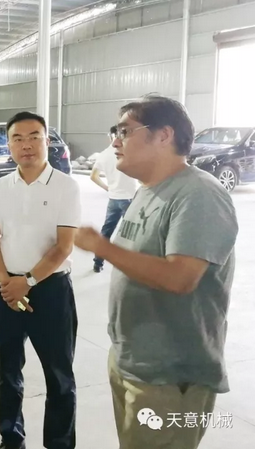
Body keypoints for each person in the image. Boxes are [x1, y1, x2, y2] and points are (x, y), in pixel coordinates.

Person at [74, 95, 238, 449]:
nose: (115, 142)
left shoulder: (198, 194)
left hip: (170, 376)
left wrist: (103, 248)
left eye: (125, 131)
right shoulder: (148, 191)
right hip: (135, 362)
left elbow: (181, 277)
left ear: (164, 135)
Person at [0, 111, 81, 449]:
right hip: (7, 289)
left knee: (59, 375)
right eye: (18, 139)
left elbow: (63, 246)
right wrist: (5, 282)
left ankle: (59, 443)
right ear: (9, 144)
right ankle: (11, 437)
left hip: (50, 290)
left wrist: (27, 281)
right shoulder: (0, 187)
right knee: (8, 370)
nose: (26, 145)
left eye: (34, 137)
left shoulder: (66, 186)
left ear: (47, 141)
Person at [89, 125, 138, 273]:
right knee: (130, 235)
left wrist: (108, 188)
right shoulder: (128, 152)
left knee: (106, 232)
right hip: (129, 198)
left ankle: (98, 263)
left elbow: (93, 176)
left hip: (113, 199)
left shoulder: (103, 155)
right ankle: (129, 266)